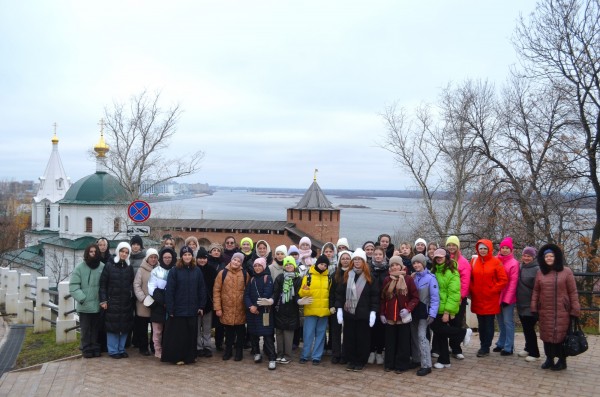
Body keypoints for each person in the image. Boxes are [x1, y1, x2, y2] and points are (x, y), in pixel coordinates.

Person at [531, 244, 580, 371]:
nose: (549, 258)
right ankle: (549, 359)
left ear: (556, 257)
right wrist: (534, 308)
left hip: (562, 311)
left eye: (551, 256)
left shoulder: (566, 271)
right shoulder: (540, 273)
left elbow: (573, 291)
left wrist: (575, 309)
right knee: (546, 336)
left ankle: (562, 360)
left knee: (561, 336)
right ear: (543, 258)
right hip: (545, 310)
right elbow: (536, 291)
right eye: (546, 256)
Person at [336, 249, 380, 372]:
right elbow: (340, 294)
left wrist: (373, 312)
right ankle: (351, 359)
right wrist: (339, 308)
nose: (357, 261)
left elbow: (374, 295)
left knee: (362, 338)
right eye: (355, 259)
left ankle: (361, 361)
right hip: (349, 313)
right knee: (349, 338)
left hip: (363, 314)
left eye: (359, 259)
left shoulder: (370, 277)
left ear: (364, 261)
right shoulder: (347, 275)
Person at [162, 246, 206, 365]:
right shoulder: (174, 271)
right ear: (181, 256)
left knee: (190, 335)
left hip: (192, 309)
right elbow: (170, 291)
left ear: (192, 256)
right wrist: (170, 308)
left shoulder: (197, 271)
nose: (187, 257)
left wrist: (201, 306)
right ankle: (178, 357)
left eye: (189, 255)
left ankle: (190, 357)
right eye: (185, 255)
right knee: (179, 336)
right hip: (178, 309)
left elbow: (201, 289)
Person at [430, 248, 472, 369]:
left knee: (437, 328)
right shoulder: (435, 270)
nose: (438, 259)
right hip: (436, 306)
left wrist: (448, 311)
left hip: (445, 308)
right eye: (436, 257)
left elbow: (454, 293)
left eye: (441, 257)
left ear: (447, 257)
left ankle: (463, 332)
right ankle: (444, 360)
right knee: (440, 333)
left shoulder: (452, 271)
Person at [379, 256, 419, 373]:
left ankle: (401, 365)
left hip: (403, 316)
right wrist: (382, 313)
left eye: (397, 265)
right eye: (392, 265)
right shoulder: (387, 279)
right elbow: (383, 298)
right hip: (390, 316)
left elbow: (415, 297)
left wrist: (408, 309)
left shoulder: (408, 279)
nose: (395, 267)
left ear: (401, 266)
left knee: (403, 342)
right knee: (390, 342)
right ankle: (389, 363)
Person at [470, 239, 508, 357]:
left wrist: (492, 290)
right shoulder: (474, 261)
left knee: (489, 323)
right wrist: (473, 289)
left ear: (489, 249)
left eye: (485, 248)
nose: (482, 250)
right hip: (477, 298)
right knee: (481, 324)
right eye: (480, 248)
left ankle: (486, 347)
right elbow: (470, 277)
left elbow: (503, 280)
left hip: (490, 299)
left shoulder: (496, 262)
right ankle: (483, 345)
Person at [99, 242, 135, 359]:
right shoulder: (110, 265)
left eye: (126, 252)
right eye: (122, 251)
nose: (124, 254)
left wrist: (131, 297)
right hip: (112, 301)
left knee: (124, 326)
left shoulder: (129, 267)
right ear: (118, 251)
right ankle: (113, 350)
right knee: (112, 326)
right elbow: (103, 284)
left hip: (125, 302)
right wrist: (103, 300)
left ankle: (121, 348)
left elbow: (131, 284)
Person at [69, 243, 104, 358]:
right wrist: (83, 299)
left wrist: (103, 300)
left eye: (95, 251)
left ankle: (94, 347)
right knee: (85, 329)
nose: (93, 254)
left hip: (98, 304)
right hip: (84, 306)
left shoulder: (102, 267)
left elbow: (105, 285)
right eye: (91, 251)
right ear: (87, 253)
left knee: (95, 329)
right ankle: (86, 348)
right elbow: (73, 286)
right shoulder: (80, 267)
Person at [213, 252, 250, 361]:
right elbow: (216, 291)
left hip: (240, 309)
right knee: (228, 333)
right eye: (234, 260)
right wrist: (218, 308)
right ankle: (228, 351)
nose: (236, 262)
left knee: (240, 333)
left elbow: (248, 291)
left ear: (241, 263)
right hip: (227, 309)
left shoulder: (245, 274)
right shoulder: (222, 273)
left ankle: (239, 352)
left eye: (239, 261)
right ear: (231, 260)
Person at [245, 257, 277, 370]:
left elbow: (266, 293)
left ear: (264, 267)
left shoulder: (267, 278)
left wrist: (256, 306)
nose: (257, 268)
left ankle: (272, 358)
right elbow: (247, 295)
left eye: (260, 266)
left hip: (264, 312)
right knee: (253, 334)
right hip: (252, 312)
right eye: (255, 266)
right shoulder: (252, 279)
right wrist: (250, 306)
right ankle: (257, 353)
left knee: (267, 336)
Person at [409, 254, 439, 376]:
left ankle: (426, 364)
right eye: (414, 263)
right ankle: (417, 359)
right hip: (414, 312)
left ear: (423, 264)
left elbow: (435, 298)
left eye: (418, 263)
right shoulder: (413, 277)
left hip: (424, 312)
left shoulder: (431, 278)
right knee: (414, 336)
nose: (416, 265)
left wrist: (432, 314)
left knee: (422, 337)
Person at [298, 254, 331, 365]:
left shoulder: (329, 278)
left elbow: (330, 294)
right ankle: (305, 355)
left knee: (321, 334)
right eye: (321, 264)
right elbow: (301, 293)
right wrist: (305, 291)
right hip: (311, 310)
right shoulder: (308, 277)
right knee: (308, 334)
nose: (323, 266)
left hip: (324, 311)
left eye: (325, 265)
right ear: (317, 264)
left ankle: (317, 356)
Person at [445, 235, 471, 359]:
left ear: (458, 246)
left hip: (458, 297)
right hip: (445, 297)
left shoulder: (463, 261)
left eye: (453, 245)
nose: (451, 247)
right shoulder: (443, 259)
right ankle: (446, 347)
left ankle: (456, 348)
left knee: (456, 322)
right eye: (449, 245)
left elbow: (465, 281)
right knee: (445, 323)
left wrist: (460, 297)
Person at [272, 256, 302, 364]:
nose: (288, 266)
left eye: (290, 264)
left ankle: (288, 355)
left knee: (288, 334)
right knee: (279, 333)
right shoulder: (280, 278)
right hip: (280, 309)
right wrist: (271, 300)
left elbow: (298, 293)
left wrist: (299, 301)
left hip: (292, 310)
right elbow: (275, 292)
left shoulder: (298, 279)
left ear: (294, 266)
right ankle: (279, 354)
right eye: (286, 264)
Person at [148, 247, 176, 359]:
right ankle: (157, 350)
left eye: (169, 257)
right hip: (158, 305)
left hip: (172, 305)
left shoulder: (176, 270)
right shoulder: (155, 271)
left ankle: (168, 350)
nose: (167, 259)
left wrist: (170, 302)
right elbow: (152, 288)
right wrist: (163, 301)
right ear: (161, 258)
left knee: (169, 330)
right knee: (157, 331)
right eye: (165, 257)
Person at [493, 236, 519, 356]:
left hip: (508, 298)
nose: (504, 250)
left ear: (511, 250)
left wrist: (507, 299)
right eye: (503, 247)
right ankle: (501, 343)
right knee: (500, 322)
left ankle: (509, 346)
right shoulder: (496, 260)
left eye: (507, 248)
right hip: (497, 296)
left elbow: (513, 283)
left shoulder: (514, 263)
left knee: (508, 322)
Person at [516, 246, 541, 362]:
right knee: (525, 328)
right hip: (521, 303)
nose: (526, 258)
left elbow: (539, 287)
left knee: (529, 328)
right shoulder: (520, 266)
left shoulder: (537, 269)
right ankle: (528, 347)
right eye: (524, 255)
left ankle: (534, 352)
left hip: (531, 304)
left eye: (529, 256)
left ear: (533, 257)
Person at [133, 248, 159, 356]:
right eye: (151, 257)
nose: (153, 259)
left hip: (156, 303)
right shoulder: (141, 269)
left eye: (155, 257)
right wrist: (143, 298)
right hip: (143, 303)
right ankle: (143, 347)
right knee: (142, 328)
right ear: (147, 258)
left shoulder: (159, 269)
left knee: (155, 327)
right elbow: (136, 285)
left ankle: (154, 346)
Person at [329, 250, 351, 364]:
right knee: (335, 331)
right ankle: (336, 354)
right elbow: (331, 292)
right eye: (343, 258)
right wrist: (331, 306)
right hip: (337, 307)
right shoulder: (335, 275)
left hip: (349, 307)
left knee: (347, 331)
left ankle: (345, 354)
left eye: (348, 258)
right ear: (340, 261)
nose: (345, 260)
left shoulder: (353, 274)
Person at [368, 246, 389, 365]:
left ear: (384, 255)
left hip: (383, 303)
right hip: (371, 302)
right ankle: (371, 351)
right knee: (371, 328)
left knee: (381, 329)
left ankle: (380, 352)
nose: (377, 256)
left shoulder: (388, 269)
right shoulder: (369, 268)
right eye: (375, 254)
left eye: (380, 254)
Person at [196, 247, 217, 358]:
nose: (202, 260)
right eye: (200, 258)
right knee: (197, 328)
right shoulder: (194, 269)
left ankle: (207, 346)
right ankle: (198, 347)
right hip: (196, 304)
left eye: (204, 258)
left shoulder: (212, 270)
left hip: (208, 304)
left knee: (207, 328)